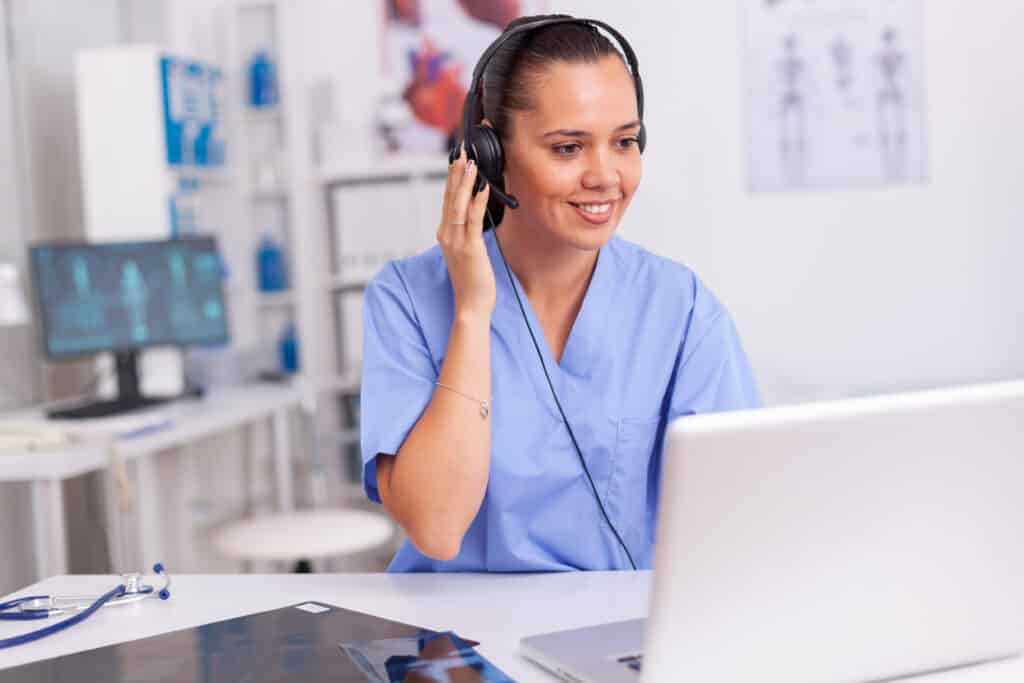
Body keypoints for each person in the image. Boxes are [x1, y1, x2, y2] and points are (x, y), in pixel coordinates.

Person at [360, 15, 761, 573]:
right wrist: (473, 313)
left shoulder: (680, 307)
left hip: (617, 634)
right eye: (569, 148)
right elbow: (436, 527)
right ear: (490, 152)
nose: (605, 176)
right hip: (457, 641)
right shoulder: (407, 298)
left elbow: (739, 518)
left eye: (624, 142)